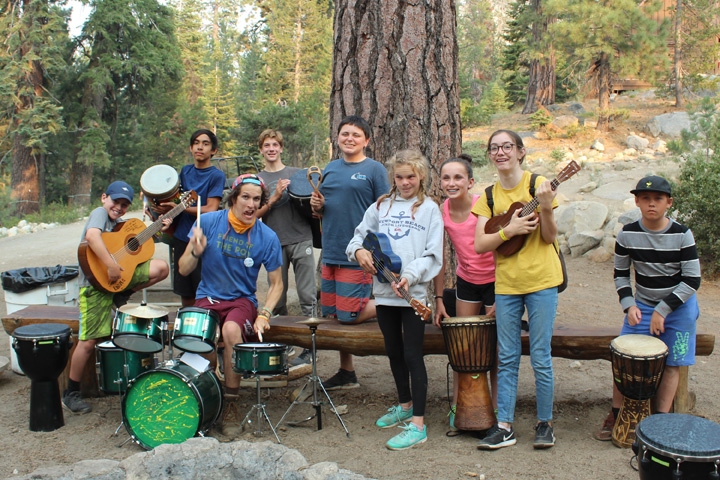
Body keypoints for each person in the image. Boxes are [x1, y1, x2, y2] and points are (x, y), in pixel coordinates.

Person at [472, 129, 563, 450]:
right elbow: (480, 243)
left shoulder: (539, 185)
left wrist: (548, 208)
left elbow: (550, 237)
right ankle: (504, 425)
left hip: (542, 283)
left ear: (520, 152)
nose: (500, 153)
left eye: (507, 146)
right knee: (507, 357)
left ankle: (545, 424)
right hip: (507, 286)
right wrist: (508, 230)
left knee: (541, 356)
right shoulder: (489, 196)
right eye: (494, 148)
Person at [346, 149, 443, 450]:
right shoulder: (380, 207)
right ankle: (404, 403)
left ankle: (418, 424)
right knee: (393, 351)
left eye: (410, 176)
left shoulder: (430, 209)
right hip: (384, 293)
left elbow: (433, 253)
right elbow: (357, 239)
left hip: (412, 294)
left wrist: (411, 275)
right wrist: (359, 252)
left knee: (413, 355)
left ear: (421, 177)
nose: (404, 182)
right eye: (399, 177)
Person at [594, 175, 701, 441]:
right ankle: (617, 415)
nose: (651, 204)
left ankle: (660, 424)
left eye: (657, 199)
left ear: (669, 203)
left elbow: (692, 280)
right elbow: (621, 275)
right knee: (623, 359)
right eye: (645, 199)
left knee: (673, 363)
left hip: (679, 307)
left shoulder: (682, 234)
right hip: (642, 304)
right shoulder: (628, 233)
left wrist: (663, 311)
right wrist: (628, 305)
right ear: (637, 202)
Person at [178, 173, 283, 438]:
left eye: (257, 199)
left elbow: (277, 284)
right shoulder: (210, 222)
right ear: (233, 199)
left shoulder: (267, 236)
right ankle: (208, 393)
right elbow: (183, 269)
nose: (251, 205)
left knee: (231, 332)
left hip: (241, 300)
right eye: (245, 197)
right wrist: (194, 250)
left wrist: (265, 314)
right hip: (208, 298)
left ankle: (232, 404)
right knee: (201, 337)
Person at [63, 181, 170, 413]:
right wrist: (111, 265)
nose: (119, 207)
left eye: (124, 205)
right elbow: (92, 237)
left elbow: (140, 243)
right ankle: (70, 392)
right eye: (115, 202)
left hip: (116, 280)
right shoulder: (99, 213)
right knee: (88, 342)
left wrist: (159, 227)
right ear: (104, 198)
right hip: (95, 284)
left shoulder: (119, 224)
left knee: (161, 268)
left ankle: (122, 294)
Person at [309, 115, 391, 390]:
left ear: (366, 140)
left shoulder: (374, 169)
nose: (349, 138)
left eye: (356, 135)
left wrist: (376, 250)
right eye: (344, 134)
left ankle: (393, 302)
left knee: (349, 313)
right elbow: (322, 210)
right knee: (333, 315)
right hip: (331, 249)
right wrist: (318, 206)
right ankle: (347, 372)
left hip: (359, 253)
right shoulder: (330, 169)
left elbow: (385, 209)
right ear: (337, 138)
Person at [432, 156, 496, 433]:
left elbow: (507, 244)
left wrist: (504, 296)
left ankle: (494, 408)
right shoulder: (441, 211)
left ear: (470, 182)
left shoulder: (485, 204)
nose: (452, 183)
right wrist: (437, 299)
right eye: (446, 178)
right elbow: (440, 258)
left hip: (497, 280)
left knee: (494, 348)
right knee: (464, 345)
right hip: (467, 281)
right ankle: (460, 405)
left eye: (458, 177)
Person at [256, 129, 316, 368]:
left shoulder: (296, 174)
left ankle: (310, 347)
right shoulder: (258, 180)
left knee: (307, 296)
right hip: (272, 242)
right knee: (277, 297)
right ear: (261, 150)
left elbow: (314, 201)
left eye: (275, 145)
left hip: (302, 238)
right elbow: (254, 214)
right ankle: (282, 343)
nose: (271, 149)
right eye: (266, 145)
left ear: (281, 148)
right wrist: (275, 194)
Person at [152, 129, 226, 307]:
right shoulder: (185, 171)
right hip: (181, 237)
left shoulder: (216, 176)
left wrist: (180, 208)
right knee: (185, 291)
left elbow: (211, 209)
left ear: (213, 150)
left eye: (205, 143)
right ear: (191, 148)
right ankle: (186, 328)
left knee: (204, 290)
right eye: (196, 143)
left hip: (204, 239)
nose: (200, 147)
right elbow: (175, 199)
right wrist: (161, 207)